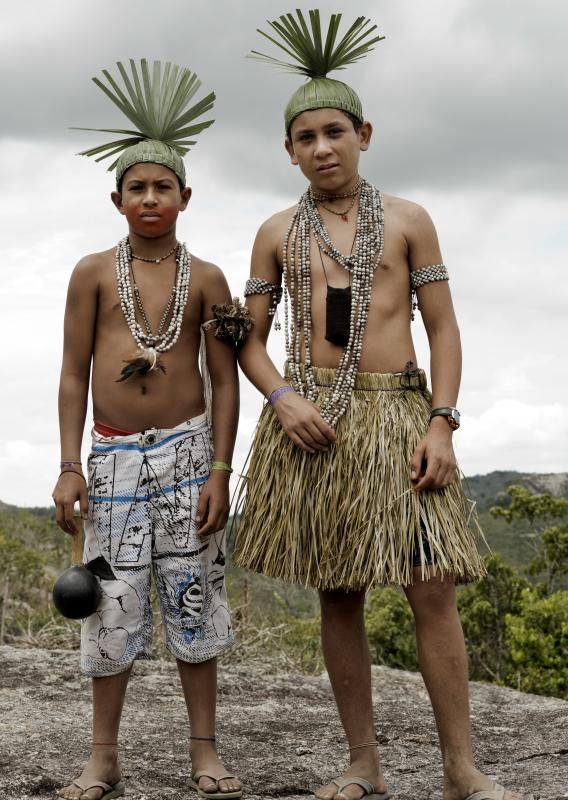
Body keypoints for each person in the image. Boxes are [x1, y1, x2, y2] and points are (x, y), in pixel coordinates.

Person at [234, 11, 522, 800]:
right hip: (317, 424)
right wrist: (283, 399)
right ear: (287, 149)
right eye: (305, 137)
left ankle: (462, 769)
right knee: (340, 588)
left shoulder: (408, 220)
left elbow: (444, 327)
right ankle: (363, 763)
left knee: (432, 585)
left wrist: (443, 421)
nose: (322, 148)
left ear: (364, 133)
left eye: (335, 131)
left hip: (402, 415)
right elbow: (247, 340)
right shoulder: (274, 233)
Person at [52, 59, 244, 800]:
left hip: (191, 456)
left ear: (186, 197)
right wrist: (71, 464)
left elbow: (225, 379)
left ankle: (205, 751)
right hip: (113, 462)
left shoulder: (208, 279)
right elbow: (73, 372)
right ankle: (103, 756)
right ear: (117, 198)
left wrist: (222, 472)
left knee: (194, 597)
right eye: (138, 187)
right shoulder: (94, 273)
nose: (151, 197)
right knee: (109, 604)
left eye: (164, 186)